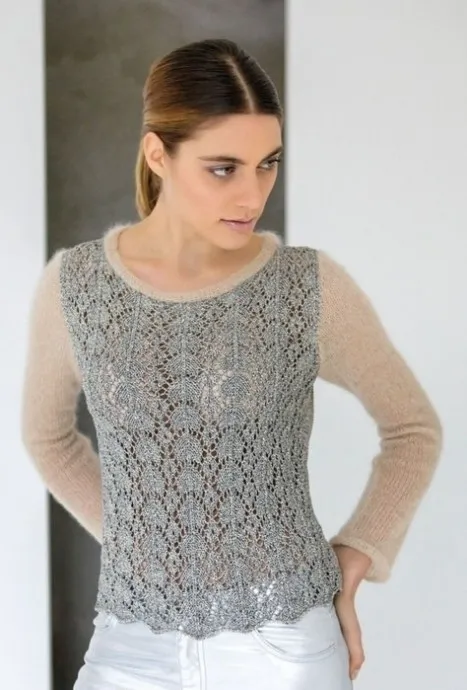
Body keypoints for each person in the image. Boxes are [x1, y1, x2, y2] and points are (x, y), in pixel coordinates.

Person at [21, 38, 443, 690]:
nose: (253, 194)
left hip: (283, 642)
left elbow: (412, 428)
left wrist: (357, 552)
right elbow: (46, 438)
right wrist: (149, 543)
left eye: (268, 164)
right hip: (130, 643)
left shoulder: (305, 288)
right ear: (158, 154)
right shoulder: (75, 286)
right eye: (224, 168)